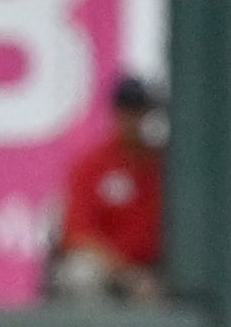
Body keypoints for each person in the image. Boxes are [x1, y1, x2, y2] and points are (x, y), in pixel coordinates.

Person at [44, 75, 167, 304]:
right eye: (128, 110)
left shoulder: (166, 168)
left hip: (155, 269)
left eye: (141, 111)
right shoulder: (93, 165)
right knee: (80, 274)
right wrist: (126, 272)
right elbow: (76, 234)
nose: (135, 119)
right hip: (109, 269)